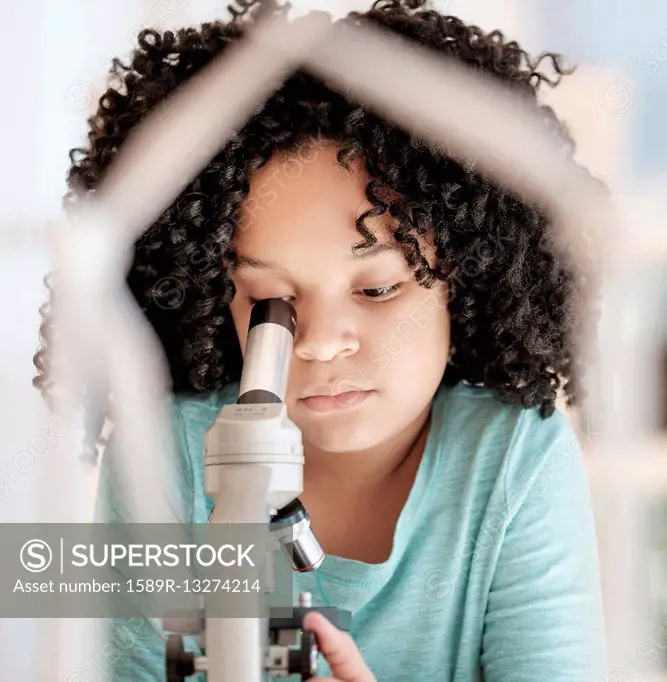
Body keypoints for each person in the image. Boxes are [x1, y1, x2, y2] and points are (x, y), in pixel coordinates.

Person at [32, 0, 608, 680]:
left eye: (376, 290)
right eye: (271, 302)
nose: (318, 344)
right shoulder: (164, 454)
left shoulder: (513, 460)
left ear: (470, 277)